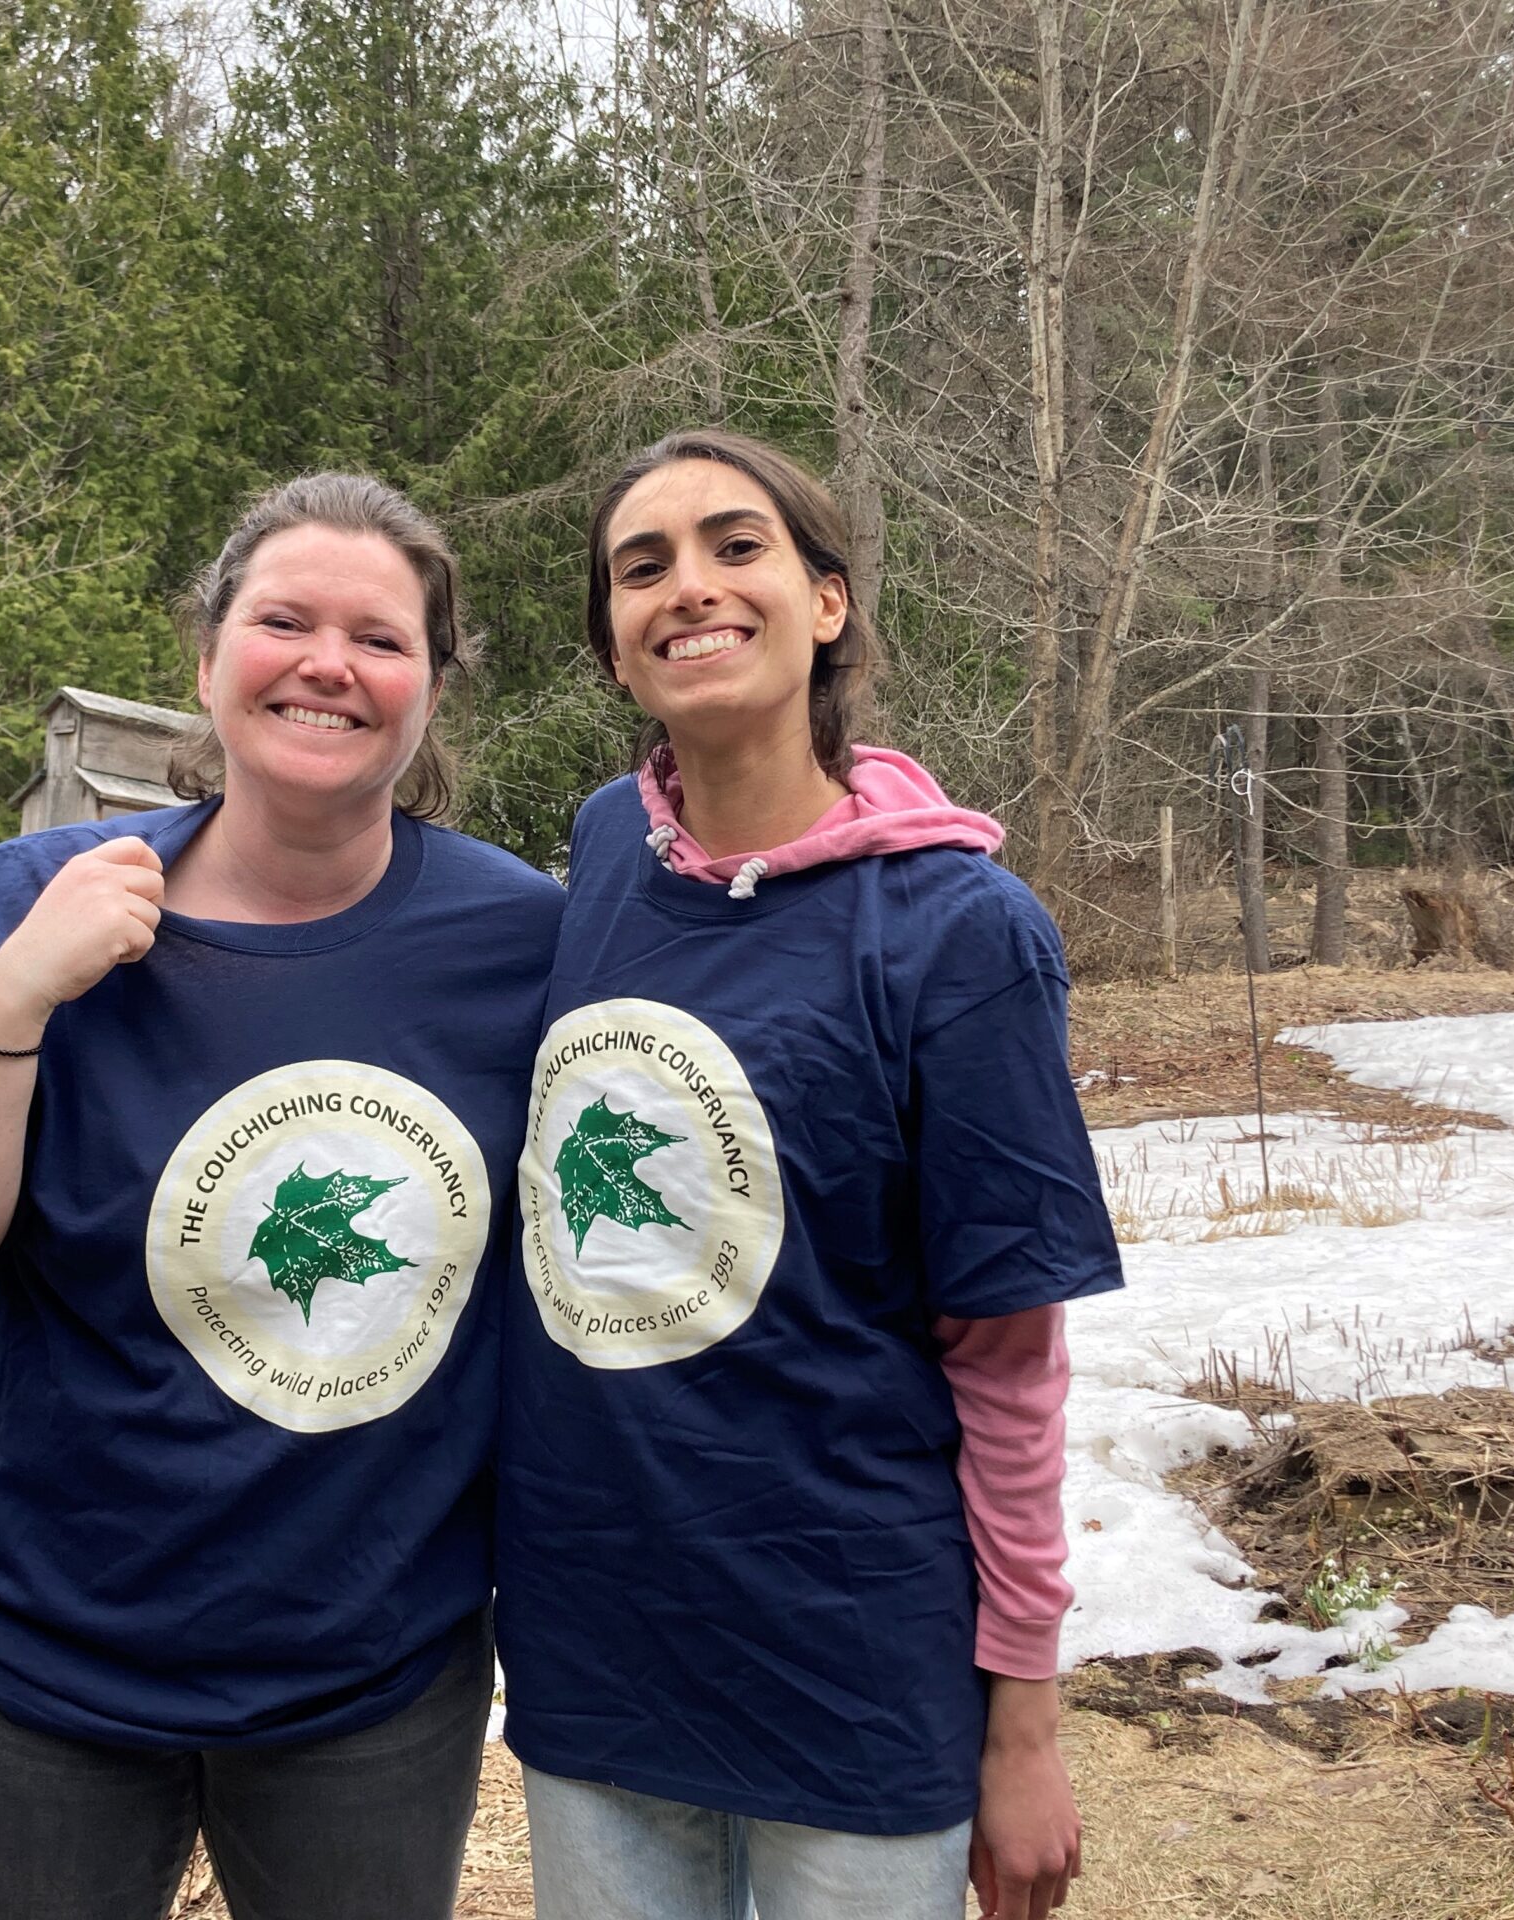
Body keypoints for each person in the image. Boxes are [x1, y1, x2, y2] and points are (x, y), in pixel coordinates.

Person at [0, 473, 565, 1920]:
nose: (327, 664)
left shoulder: (524, 941)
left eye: (381, 638)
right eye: (283, 620)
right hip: (35, 1649)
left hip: (370, 1665)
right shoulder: (26, 899)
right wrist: (20, 995)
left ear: (431, 689)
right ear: (209, 657)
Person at [496, 430, 1124, 1920]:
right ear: (611, 648)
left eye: (735, 546)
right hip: (599, 1655)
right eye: (641, 569)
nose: (688, 588)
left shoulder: (957, 931)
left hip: (850, 1663)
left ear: (825, 603)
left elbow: (1011, 1364)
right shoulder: (604, 856)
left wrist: (1022, 1727)